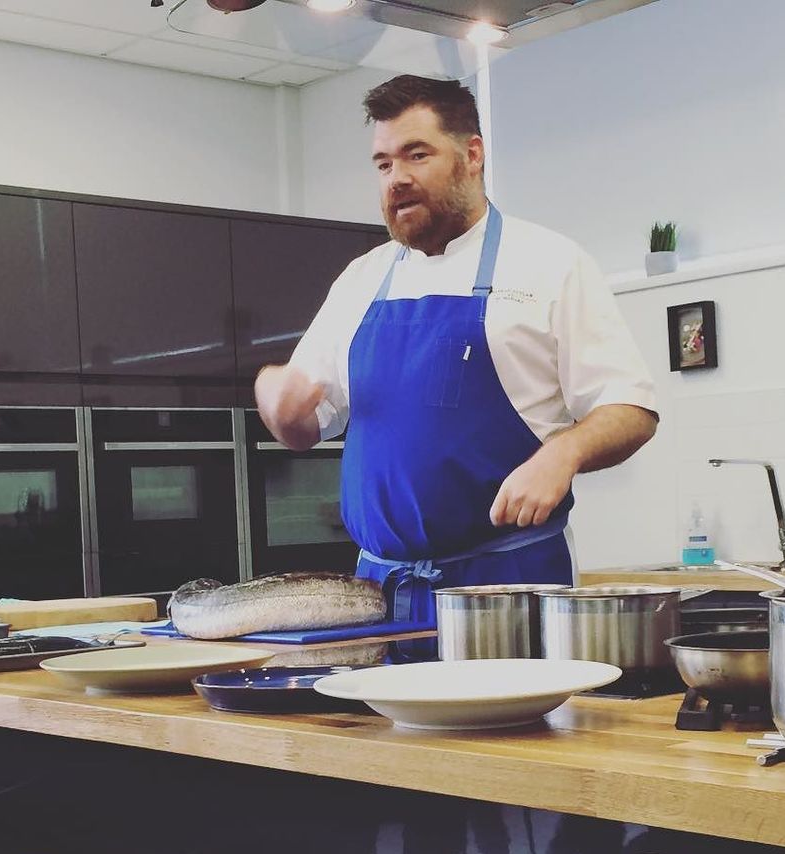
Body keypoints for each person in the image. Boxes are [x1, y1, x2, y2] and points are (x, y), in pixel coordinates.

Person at [255, 74, 658, 624]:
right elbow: (304, 427)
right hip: (378, 595)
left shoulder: (551, 264)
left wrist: (562, 454)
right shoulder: (361, 280)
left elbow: (631, 409)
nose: (396, 179)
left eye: (416, 155)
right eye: (383, 164)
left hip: (508, 590)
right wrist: (278, 406)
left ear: (472, 155)